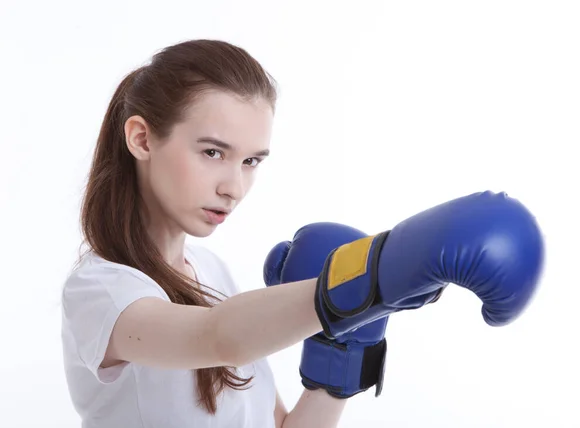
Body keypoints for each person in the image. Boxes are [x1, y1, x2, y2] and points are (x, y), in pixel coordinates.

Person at [61, 38, 545, 428]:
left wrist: (340, 356)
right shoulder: (103, 291)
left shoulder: (208, 273)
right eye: (213, 152)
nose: (234, 187)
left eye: (251, 161)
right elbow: (218, 338)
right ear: (141, 139)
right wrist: (369, 278)